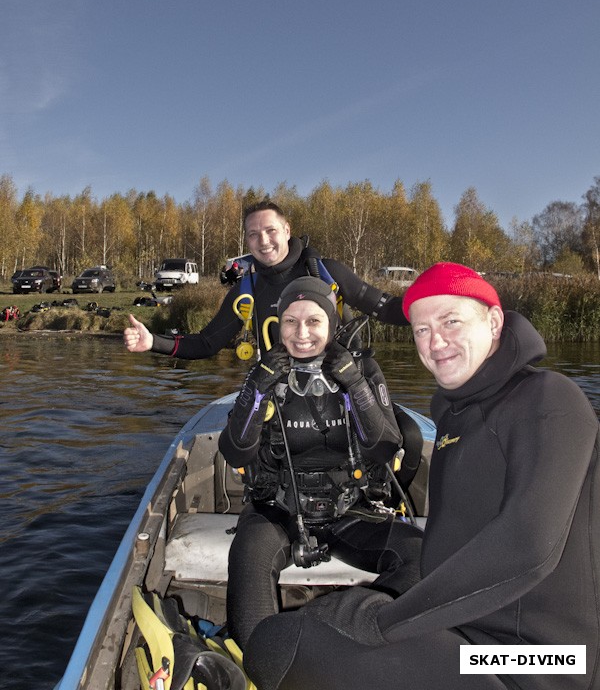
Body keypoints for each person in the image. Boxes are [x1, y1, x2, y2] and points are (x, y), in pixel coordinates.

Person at [243, 263, 600, 690]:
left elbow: (530, 545)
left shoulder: (548, 397)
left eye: (451, 321)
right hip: (466, 634)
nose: (436, 341)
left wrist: (384, 621)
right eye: (421, 330)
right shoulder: (453, 415)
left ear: (494, 320)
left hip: (543, 662)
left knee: (275, 644)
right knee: (308, 630)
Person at [219, 276, 423, 651]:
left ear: (331, 324)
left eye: (314, 321)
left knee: (422, 558)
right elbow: (235, 452)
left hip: (351, 510)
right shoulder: (265, 373)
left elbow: (384, 448)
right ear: (279, 325)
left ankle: (353, 644)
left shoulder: (361, 369)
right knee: (248, 592)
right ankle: (276, 660)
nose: (301, 333)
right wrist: (257, 387)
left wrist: (355, 386)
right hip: (275, 511)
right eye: (291, 321)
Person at [123, 200, 408, 360]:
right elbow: (207, 343)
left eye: (270, 230)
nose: (263, 241)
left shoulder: (326, 272)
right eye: (253, 234)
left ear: (286, 230)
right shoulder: (247, 290)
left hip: (342, 385)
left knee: (407, 436)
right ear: (246, 240)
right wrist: (153, 342)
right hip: (280, 394)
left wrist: (439, 303)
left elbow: (388, 308)